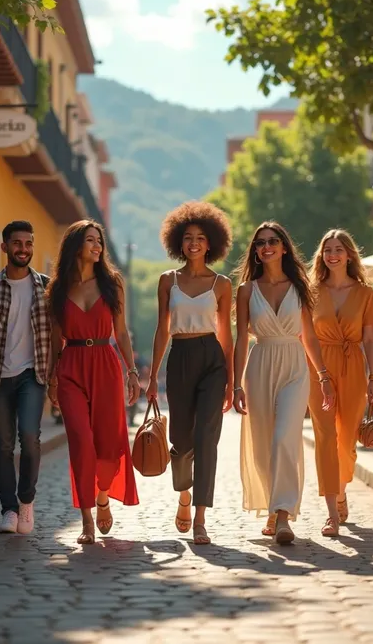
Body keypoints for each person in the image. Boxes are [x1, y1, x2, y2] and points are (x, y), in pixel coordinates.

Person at [234, 222, 333, 545]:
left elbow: (310, 337)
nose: (266, 246)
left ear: (284, 247)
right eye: (260, 243)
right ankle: (273, 508)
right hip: (260, 364)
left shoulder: (300, 287)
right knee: (263, 443)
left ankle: (282, 514)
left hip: (294, 366)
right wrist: (235, 384)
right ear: (256, 251)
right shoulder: (246, 290)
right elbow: (239, 341)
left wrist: (323, 375)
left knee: (283, 437)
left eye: (273, 241)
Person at [46, 219, 139, 545]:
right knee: (81, 443)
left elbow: (121, 332)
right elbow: (56, 338)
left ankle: (102, 496)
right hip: (71, 366)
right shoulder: (58, 289)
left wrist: (132, 372)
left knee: (108, 446)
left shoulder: (113, 283)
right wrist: (52, 379)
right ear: (76, 246)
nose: (98, 246)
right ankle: (86, 518)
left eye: (99, 240)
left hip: (105, 366)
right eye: (90, 240)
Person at [146, 201, 233, 546]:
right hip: (179, 357)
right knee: (180, 443)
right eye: (187, 238)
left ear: (210, 243)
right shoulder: (168, 281)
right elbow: (161, 330)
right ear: (178, 244)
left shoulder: (222, 284)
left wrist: (231, 379)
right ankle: (184, 494)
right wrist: (152, 376)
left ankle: (200, 517)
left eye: (200, 237)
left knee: (206, 441)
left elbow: (227, 334)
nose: (194, 243)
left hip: (212, 359)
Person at [0, 220, 50, 535]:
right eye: (17, 243)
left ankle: (26, 500)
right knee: (3, 444)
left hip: (34, 373)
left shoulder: (45, 286)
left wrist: (56, 373)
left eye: (29, 243)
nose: (24, 249)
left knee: (29, 438)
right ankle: (9, 510)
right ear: (4, 247)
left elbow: (56, 332)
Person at [309, 229, 373, 535]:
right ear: (321, 255)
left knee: (347, 440)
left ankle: (341, 491)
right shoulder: (311, 291)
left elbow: (369, 338)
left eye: (339, 248)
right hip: (320, 368)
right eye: (327, 249)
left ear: (349, 254)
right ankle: (331, 513)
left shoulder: (366, 293)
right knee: (325, 436)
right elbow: (306, 336)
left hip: (353, 364)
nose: (333, 254)